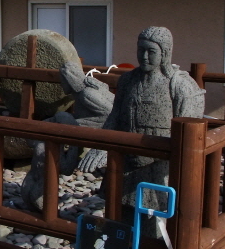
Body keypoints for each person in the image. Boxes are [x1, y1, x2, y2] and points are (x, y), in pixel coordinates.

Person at [79, 27, 204, 233]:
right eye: (141, 50)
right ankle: (121, 243)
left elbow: (190, 130)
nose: (144, 56)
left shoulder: (180, 84)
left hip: (160, 161)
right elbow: (115, 116)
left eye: (151, 51)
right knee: (120, 208)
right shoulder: (128, 80)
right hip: (126, 156)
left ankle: (151, 246)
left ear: (165, 53)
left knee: (156, 215)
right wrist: (101, 146)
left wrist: (159, 151)